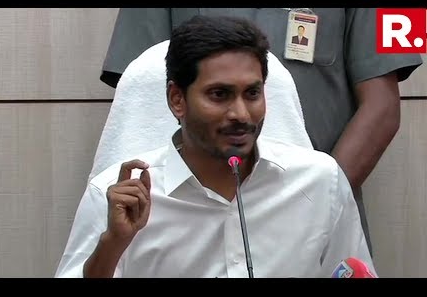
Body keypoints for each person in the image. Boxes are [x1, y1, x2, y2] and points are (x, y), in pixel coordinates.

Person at [56, 15, 375, 278]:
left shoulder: (321, 183)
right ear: (177, 99)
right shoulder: (118, 197)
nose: (241, 114)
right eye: (219, 95)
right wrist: (112, 245)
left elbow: (352, 270)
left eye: (252, 94)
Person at [100, 8, 424, 254]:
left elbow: (384, 110)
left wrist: (309, 204)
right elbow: (140, 94)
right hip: (188, 229)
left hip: (313, 226)